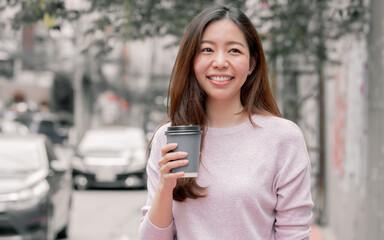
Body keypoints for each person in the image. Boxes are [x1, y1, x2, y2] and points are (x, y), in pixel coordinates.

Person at [139, 4, 313, 240]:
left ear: (252, 63)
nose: (220, 62)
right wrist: (164, 187)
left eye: (234, 51)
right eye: (207, 50)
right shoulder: (169, 138)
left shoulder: (283, 138)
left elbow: (294, 235)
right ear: (192, 60)